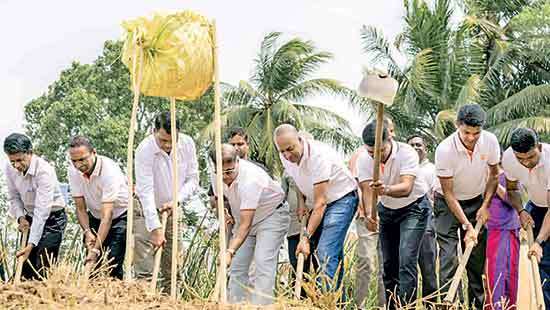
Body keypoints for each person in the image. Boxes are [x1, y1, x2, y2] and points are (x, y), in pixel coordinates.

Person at [274, 124, 358, 291]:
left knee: (324, 252)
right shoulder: (285, 155)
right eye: (282, 151)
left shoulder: (318, 156)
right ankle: (337, 303)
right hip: (318, 201)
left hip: (341, 199)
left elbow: (320, 203)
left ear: (300, 140)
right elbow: (296, 177)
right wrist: (301, 202)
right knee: (332, 253)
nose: (287, 155)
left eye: (290, 149)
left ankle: (323, 302)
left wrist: (304, 238)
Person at [434, 104, 500, 308]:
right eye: (466, 132)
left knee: (475, 261)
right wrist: (467, 225)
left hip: (476, 201)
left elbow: (494, 175)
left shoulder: (489, 141)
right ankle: (449, 303)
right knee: (448, 259)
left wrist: (485, 205)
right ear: (457, 126)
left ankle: (475, 305)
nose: (471, 138)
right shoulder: (444, 150)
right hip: (447, 204)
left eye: (476, 133)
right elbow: (449, 193)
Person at [358, 122, 430, 306]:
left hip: (414, 208)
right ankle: (393, 306)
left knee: (406, 259)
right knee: (389, 265)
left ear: (389, 139)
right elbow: (366, 190)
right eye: (371, 153)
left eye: (380, 151)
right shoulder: (364, 160)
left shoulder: (407, 153)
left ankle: (407, 306)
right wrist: (369, 214)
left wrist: (386, 189)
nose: (376, 157)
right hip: (387, 211)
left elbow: (407, 188)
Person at [211, 144, 289, 305]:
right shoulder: (215, 174)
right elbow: (222, 199)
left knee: (262, 262)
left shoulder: (251, 179)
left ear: (237, 161)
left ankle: (261, 307)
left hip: (271, 216)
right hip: (242, 218)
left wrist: (230, 250)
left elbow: (246, 225)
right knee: (237, 266)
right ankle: (235, 305)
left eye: (229, 171)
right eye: (221, 172)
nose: (225, 177)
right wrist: (225, 211)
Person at [134, 111, 199, 292]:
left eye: (172, 140)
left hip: (172, 210)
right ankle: (143, 300)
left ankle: (170, 301)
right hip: (144, 209)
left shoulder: (187, 144)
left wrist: (176, 201)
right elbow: (145, 191)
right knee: (145, 269)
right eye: (163, 140)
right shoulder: (144, 150)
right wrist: (154, 228)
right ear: (154, 131)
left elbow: (193, 179)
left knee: (173, 268)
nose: (168, 145)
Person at [4, 133, 67, 280]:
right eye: (13, 161)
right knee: (25, 265)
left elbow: (42, 211)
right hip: (30, 217)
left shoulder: (44, 171)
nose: (16, 165)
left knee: (43, 264)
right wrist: (20, 217)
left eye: (20, 160)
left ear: (30, 153)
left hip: (52, 219)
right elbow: (14, 197)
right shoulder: (10, 168)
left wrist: (31, 244)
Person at [68, 135, 128, 279]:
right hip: (94, 215)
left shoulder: (109, 170)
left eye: (82, 159)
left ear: (94, 153)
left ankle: (114, 295)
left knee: (111, 261)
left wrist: (95, 249)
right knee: (94, 265)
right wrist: (87, 232)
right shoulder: (73, 171)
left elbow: (107, 216)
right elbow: (80, 208)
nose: (78, 165)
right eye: (74, 161)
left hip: (119, 215)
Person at [502, 127, 549, 305]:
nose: (526, 163)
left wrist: (539, 242)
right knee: (542, 263)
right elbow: (512, 189)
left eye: (530, 157)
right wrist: (521, 211)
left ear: (539, 147)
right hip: (536, 206)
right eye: (520, 159)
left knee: (544, 253)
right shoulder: (509, 158)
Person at [484, 163, 520, 309]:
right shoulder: (483, 176)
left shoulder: (509, 176)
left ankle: (506, 306)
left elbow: (514, 201)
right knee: (492, 273)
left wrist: (495, 183)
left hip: (506, 229)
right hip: (490, 228)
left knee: (506, 273)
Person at [407, 135, 438, 300]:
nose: (415, 147)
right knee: (406, 267)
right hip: (404, 221)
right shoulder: (403, 169)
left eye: (418, 144)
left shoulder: (432, 169)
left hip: (426, 222)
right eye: (411, 145)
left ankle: (430, 304)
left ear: (425, 148)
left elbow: (436, 195)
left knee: (428, 268)